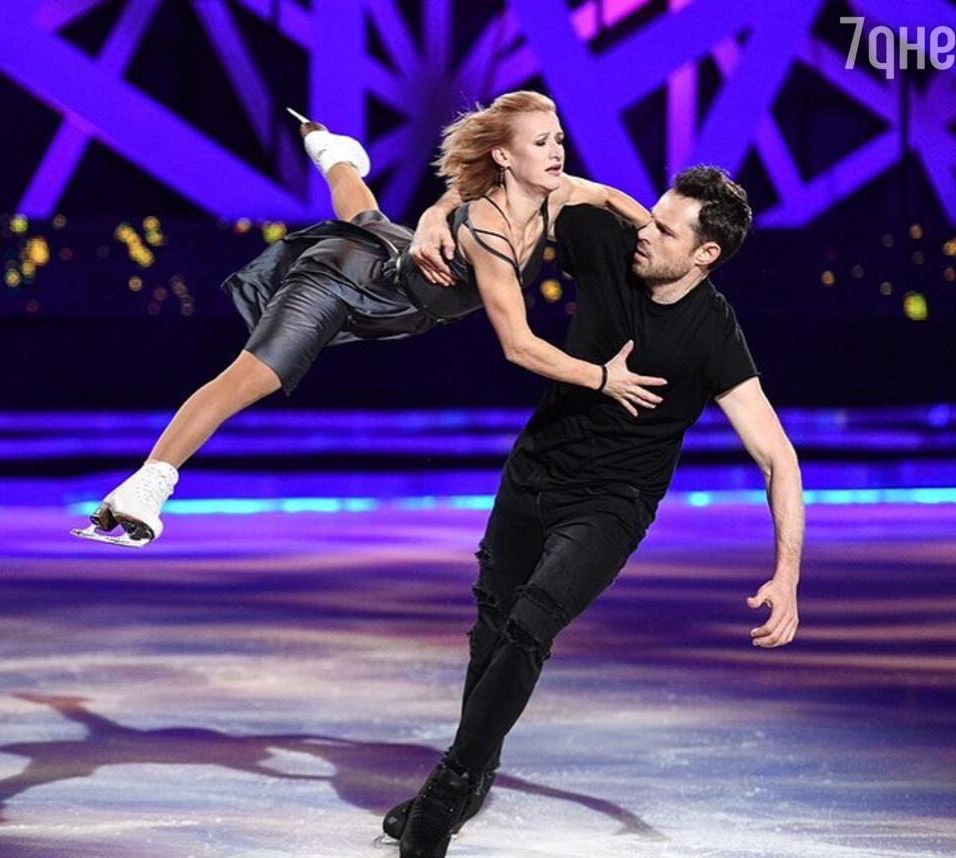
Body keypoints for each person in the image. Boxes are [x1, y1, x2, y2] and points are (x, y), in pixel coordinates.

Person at [387, 166, 805, 858]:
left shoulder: (713, 334)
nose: (644, 230)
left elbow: (777, 459)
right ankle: (474, 778)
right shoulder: (612, 244)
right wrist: (437, 215)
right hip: (533, 473)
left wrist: (786, 576)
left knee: (528, 627)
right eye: (649, 215)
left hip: (611, 505)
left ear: (705, 254)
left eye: (664, 229)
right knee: (491, 628)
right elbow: (523, 181)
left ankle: (445, 791)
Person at [71, 91, 664, 548]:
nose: (557, 151)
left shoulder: (556, 192)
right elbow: (519, 345)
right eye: (541, 142)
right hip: (342, 283)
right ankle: (148, 484)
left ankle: (334, 154)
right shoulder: (489, 233)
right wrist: (602, 378)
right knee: (254, 375)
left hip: (400, 276)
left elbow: (612, 199)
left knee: (369, 219)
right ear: (505, 156)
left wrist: (660, 239)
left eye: (558, 138)